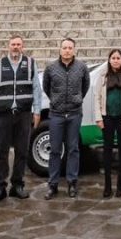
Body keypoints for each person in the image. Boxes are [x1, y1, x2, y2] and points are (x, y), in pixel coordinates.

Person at [0, 35, 42, 205]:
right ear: (8, 46)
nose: (16, 47)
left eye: (19, 44)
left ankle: (17, 185)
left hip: (23, 114)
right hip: (3, 114)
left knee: (22, 151)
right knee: (1, 152)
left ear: (23, 47)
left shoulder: (30, 64)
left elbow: (36, 89)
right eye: (13, 44)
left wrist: (37, 111)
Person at [42, 37, 89, 199]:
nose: (67, 50)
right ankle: (53, 184)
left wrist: (77, 99)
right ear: (60, 50)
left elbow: (85, 86)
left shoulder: (82, 67)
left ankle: (72, 183)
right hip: (56, 115)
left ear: (74, 50)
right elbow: (46, 87)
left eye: (70, 47)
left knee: (73, 149)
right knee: (55, 150)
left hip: (75, 114)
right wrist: (56, 100)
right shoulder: (51, 68)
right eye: (64, 47)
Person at [94, 49, 121, 199]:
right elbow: (97, 96)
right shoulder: (103, 75)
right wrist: (99, 117)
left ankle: (120, 185)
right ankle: (107, 186)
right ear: (109, 60)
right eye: (113, 58)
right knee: (107, 150)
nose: (116, 60)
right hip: (107, 118)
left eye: (118, 58)